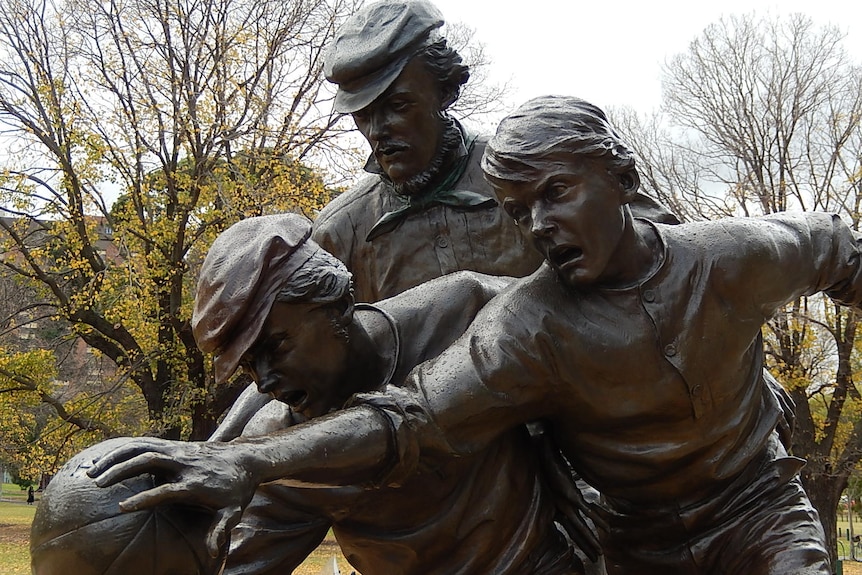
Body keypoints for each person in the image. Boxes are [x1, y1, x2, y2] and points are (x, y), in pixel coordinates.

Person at [88, 96, 836, 574]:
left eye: (557, 193)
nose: (540, 226)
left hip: (758, 511)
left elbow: (837, 248)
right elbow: (408, 417)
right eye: (519, 210)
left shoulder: (735, 256)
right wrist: (243, 460)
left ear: (622, 177)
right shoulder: (526, 326)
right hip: (634, 544)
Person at [182, 213, 592, 574]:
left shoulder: (464, 309)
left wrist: (554, 446)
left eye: (276, 347)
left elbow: (578, 350)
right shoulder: (280, 449)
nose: (264, 382)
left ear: (337, 303)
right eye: (250, 365)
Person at [311, 0, 676, 302]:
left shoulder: (536, 166)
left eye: (399, 106)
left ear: (446, 91)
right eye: (363, 116)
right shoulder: (341, 234)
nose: (378, 131)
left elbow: (664, 258)